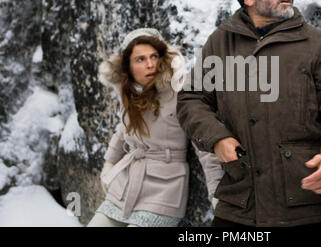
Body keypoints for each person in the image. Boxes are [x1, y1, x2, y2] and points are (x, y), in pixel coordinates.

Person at [176, 0, 321, 227]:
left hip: (305, 205)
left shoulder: (314, 43)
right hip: (240, 204)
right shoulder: (221, 42)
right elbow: (191, 99)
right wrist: (217, 138)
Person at [87, 28, 223, 227]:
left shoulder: (180, 93)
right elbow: (123, 129)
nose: (150, 64)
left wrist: (216, 191)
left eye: (154, 56)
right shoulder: (129, 93)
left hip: (164, 189)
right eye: (140, 59)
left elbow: (203, 146)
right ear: (128, 66)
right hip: (126, 184)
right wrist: (109, 163)